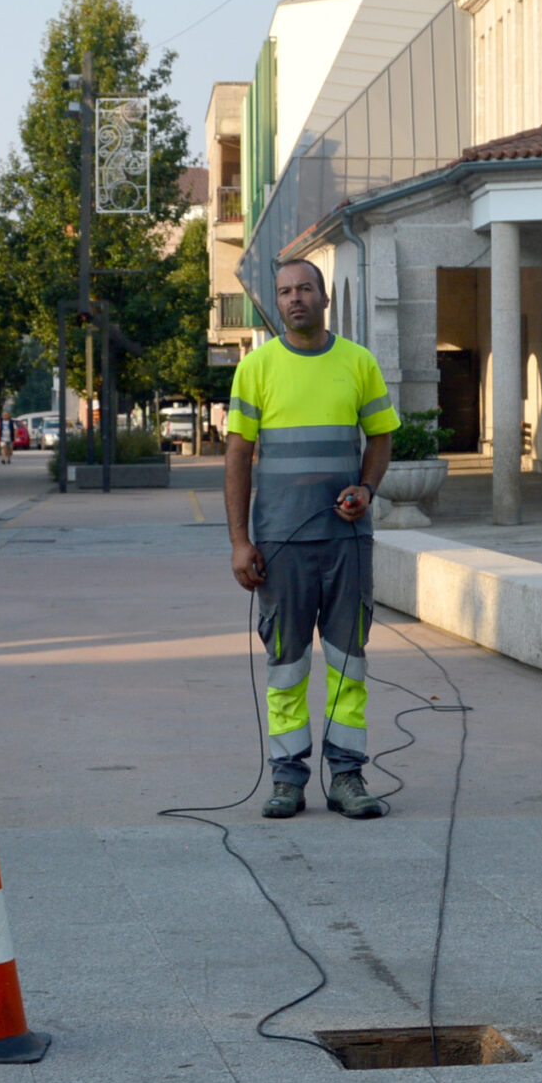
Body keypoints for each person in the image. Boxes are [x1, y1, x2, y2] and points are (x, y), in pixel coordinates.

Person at [225, 260, 399, 819]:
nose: (294, 298)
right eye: (284, 292)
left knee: (349, 661)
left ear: (325, 298)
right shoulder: (256, 368)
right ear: (277, 303)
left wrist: (366, 489)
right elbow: (237, 457)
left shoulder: (358, 363)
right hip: (279, 544)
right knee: (286, 665)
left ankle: (347, 777)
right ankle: (287, 778)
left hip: (347, 541)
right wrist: (239, 540)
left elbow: (381, 437)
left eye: (304, 289)